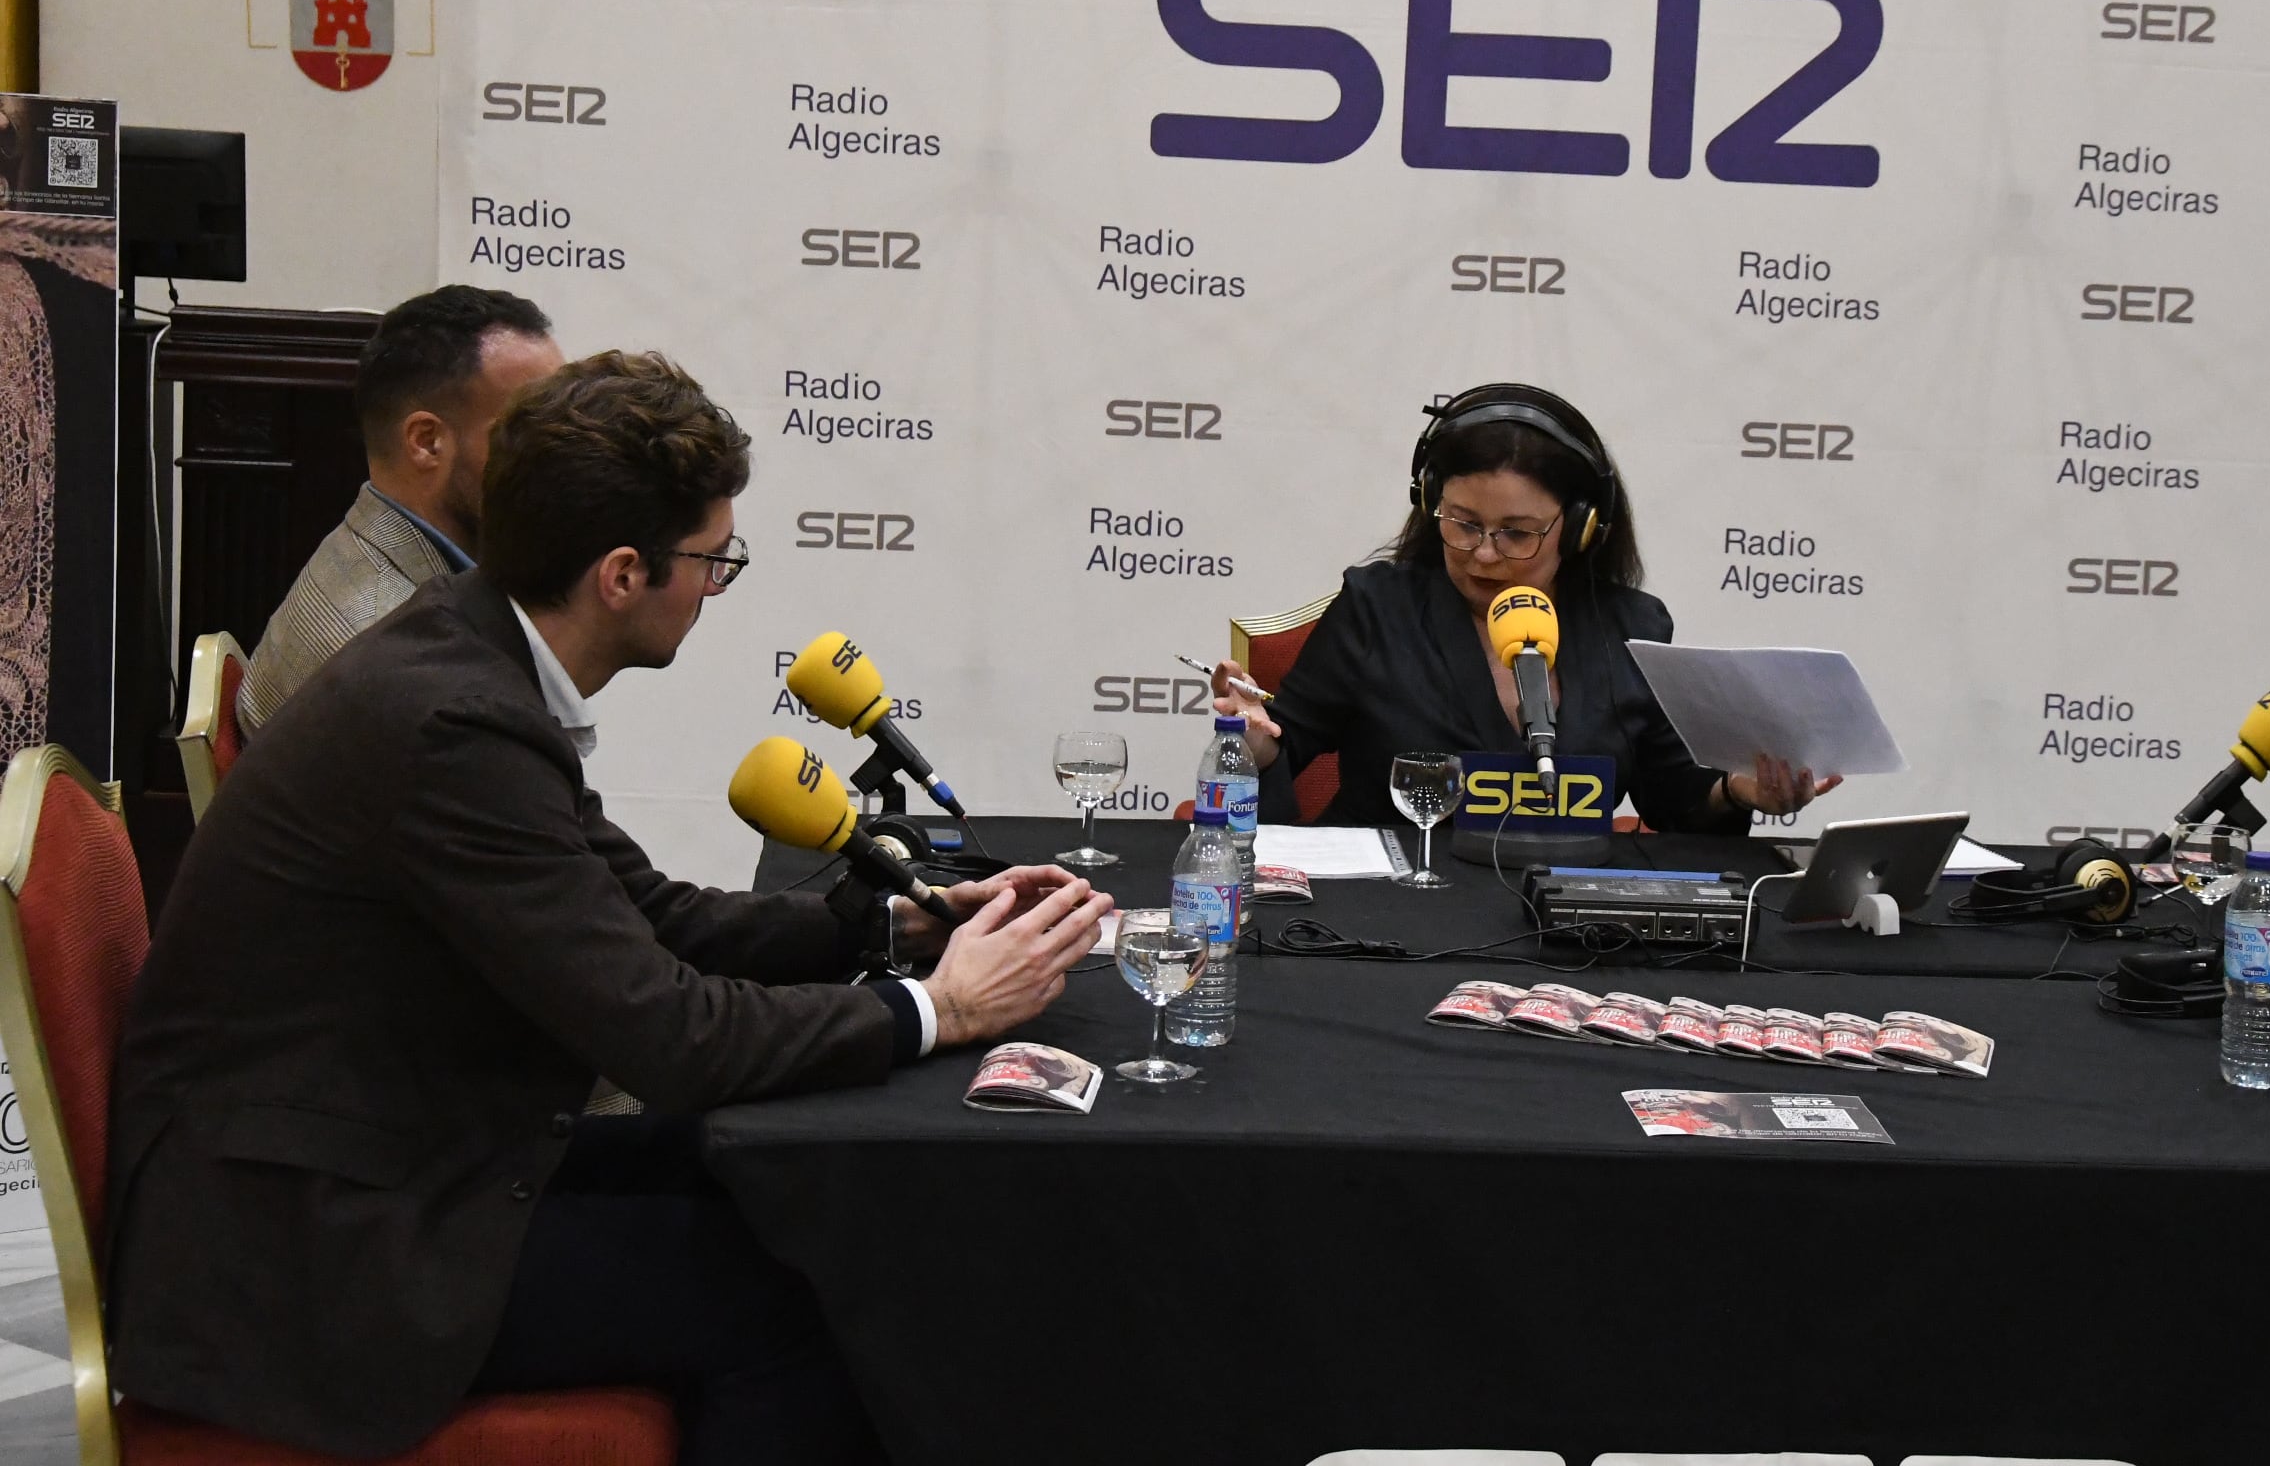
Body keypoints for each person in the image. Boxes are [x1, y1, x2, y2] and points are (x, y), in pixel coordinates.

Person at [107, 352, 1113, 1463]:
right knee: (810, 1297)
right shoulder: (452, 723)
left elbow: (650, 913)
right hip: (306, 1251)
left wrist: (894, 927)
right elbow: (671, 1034)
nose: (715, 585)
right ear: (624, 573)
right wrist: (943, 1007)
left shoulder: (470, 653)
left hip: (395, 1152)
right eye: (711, 559)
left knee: (807, 1199)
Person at [1212, 384, 1837, 832]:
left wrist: (1734, 792)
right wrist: (1254, 746)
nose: (1483, 554)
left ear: (1581, 529)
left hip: (1567, 929)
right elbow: (1285, 744)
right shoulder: (1380, 607)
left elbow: (1671, 796)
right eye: (1463, 523)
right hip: (1393, 916)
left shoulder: (1632, 628)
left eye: (1517, 532)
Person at [236, 284, 565, 735]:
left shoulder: (377, 569)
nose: (560, 460)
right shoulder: (398, 660)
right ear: (427, 441)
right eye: (529, 431)